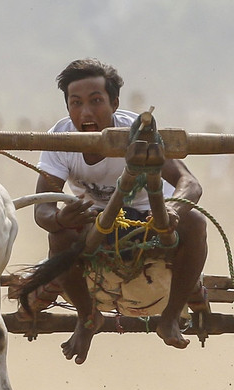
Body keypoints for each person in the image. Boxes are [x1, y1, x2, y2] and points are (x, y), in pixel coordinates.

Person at [33, 58, 208, 364]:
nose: (86, 112)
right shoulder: (60, 138)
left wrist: (174, 211)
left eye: (96, 101)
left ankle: (169, 319)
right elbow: (42, 209)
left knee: (195, 221)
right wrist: (61, 218)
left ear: (114, 103)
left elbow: (188, 182)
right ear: (68, 107)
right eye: (76, 103)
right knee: (59, 236)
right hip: (94, 221)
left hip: (151, 219)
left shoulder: (138, 132)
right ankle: (88, 318)